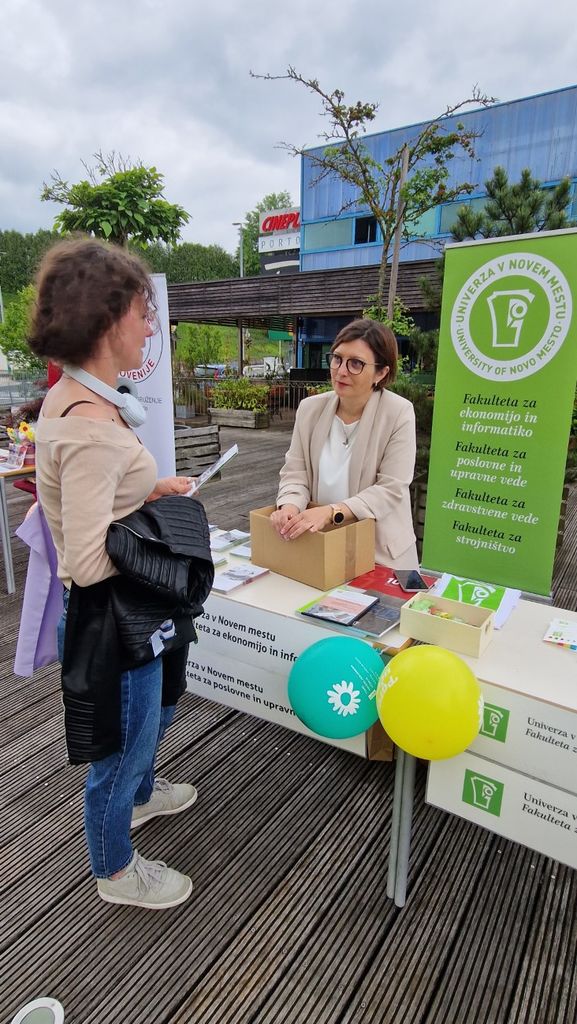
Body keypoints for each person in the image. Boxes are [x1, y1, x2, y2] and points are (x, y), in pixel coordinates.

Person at [28, 238, 199, 910]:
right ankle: (116, 869)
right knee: (118, 750)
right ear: (107, 319)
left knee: (152, 715)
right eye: (142, 313)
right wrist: (159, 549)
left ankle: (142, 795)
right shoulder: (92, 428)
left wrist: (148, 490)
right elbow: (85, 556)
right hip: (111, 618)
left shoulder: (75, 399)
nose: (150, 327)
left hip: (118, 611)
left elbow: (90, 501)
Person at [271, 318, 418, 569]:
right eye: (337, 359)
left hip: (380, 554)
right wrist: (290, 506)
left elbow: (390, 489)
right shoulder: (310, 409)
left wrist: (331, 512)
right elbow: (295, 473)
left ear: (381, 373)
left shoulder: (398, 413)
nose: (341, 371)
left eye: (356, 363)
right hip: (322, 544)